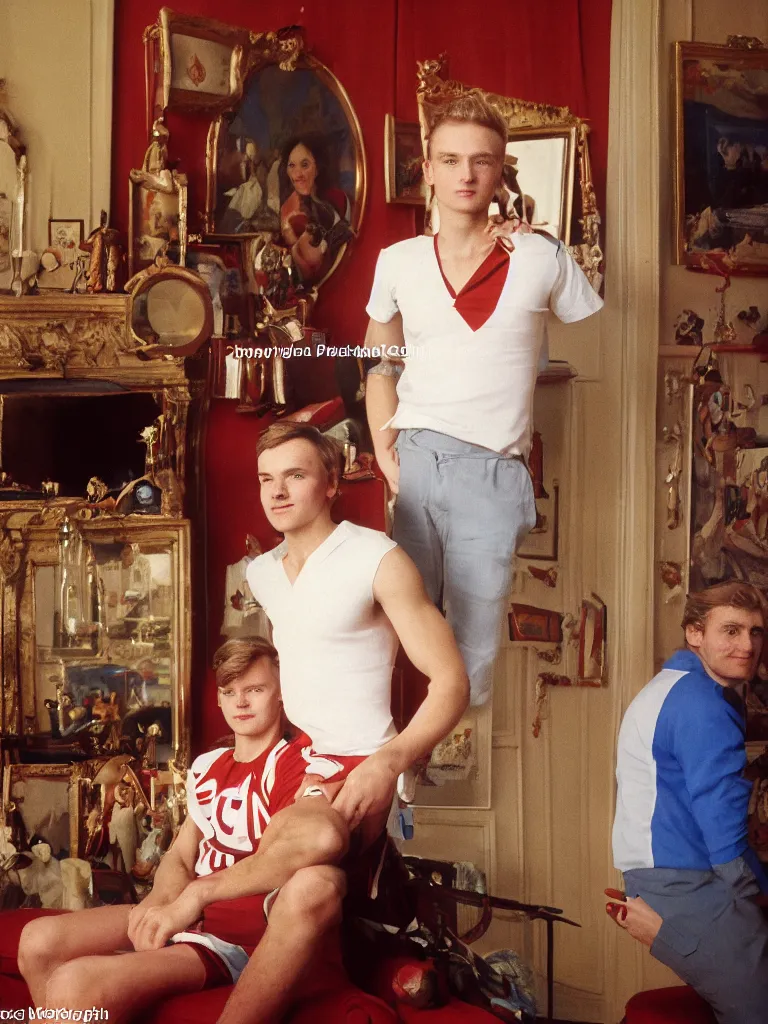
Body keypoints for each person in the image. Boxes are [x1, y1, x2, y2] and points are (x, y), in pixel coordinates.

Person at [364, 94, 603, 708]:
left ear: (502, 169)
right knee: (397, 639)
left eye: (482, 161)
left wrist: (528, 231)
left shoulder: (539, 255)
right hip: (416, 458)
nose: (466, 175)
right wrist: (387, 456)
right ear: (429, 170)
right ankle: (393, 793)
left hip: (493, 470)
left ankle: (425, 792)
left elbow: (587, 324)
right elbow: (376, 364)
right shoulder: (399, 261)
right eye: (450, 160)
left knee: (467, 667)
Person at [18, 637, 351, 1024]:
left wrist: (196, 896)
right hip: (189, 916)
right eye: (230, 692)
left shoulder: (299, 763)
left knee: (75, 985)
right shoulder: (208, 766)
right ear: (219, 700)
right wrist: (159, 904)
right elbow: (180, 852)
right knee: (36, 942)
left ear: (281, 695)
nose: (241, 703)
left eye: (255, 690)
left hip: (237, 936)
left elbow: (319, 839)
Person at [246, 421, 469, 841]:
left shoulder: (376, 558)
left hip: (366, 759)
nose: (277, 492)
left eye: (295, 476)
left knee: (310, 890)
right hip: (300, 758)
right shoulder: (261, 573)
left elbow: (452, 681)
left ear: (331, 483)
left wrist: (388, 763)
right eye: (266, 479)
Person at [611, 581, 768, 1024]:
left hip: (658, 876)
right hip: (686, 885)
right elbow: (724, 831)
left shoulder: (671, 687)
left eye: (755, 632)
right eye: (732, 631)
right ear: (695, 634)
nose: (748, 645)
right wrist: (758, 895)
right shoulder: (701, 704)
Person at [279, 134, 352, 282]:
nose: (297, 174)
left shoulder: (338, 199)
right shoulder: (288, 211)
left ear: (317, 168)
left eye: (305, 165)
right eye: (291, 166)